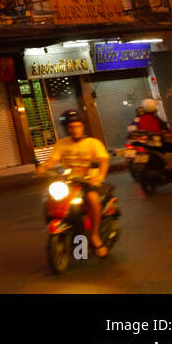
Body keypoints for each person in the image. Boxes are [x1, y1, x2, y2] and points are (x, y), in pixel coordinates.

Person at [38, 109, 112, 257]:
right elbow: (53, 160)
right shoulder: (61, 144)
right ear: (67, 129)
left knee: (93, 199)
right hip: (69, 181)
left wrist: (99, 176)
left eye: (78, 126)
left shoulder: (93, 143)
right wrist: (44, 166)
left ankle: (95, 236)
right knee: (49, 199)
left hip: (89, 181)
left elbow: (104, 161)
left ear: (82, 127)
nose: (75, 130)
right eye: (71, 127)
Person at [136, 99, 172, 174]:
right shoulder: (155, 118)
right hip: (157, 145)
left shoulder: (140, 119)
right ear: (153, 109)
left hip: (146, 145)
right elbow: (167, 129)